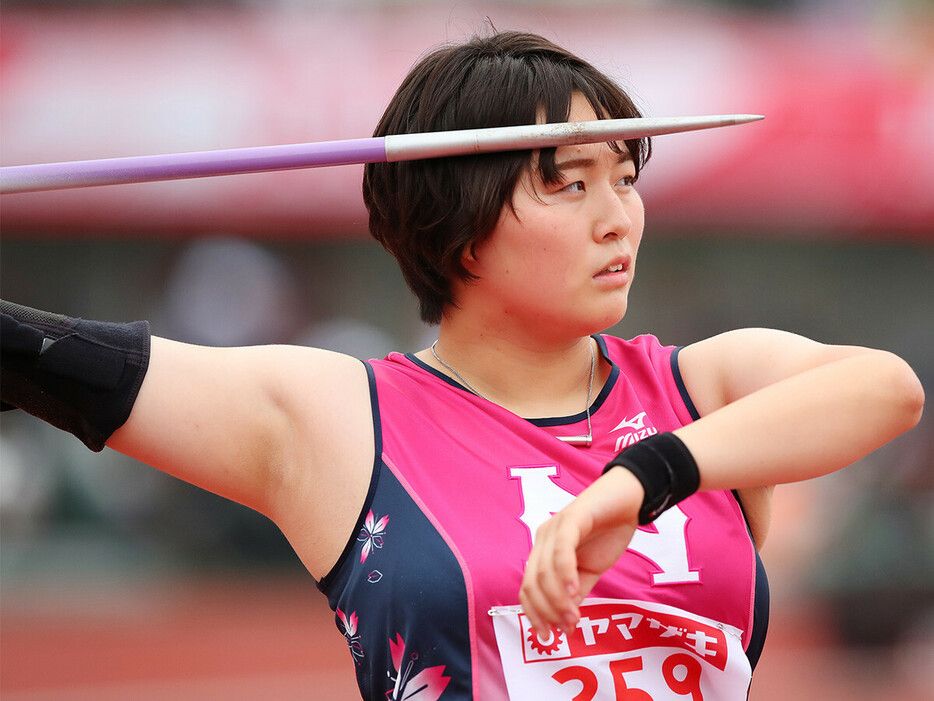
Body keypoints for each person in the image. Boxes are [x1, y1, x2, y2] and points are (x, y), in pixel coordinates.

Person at [0, 30, 924, 701]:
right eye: (567, 183)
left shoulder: (702, 388)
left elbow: (888, 388)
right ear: (461, 223)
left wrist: (641, 479)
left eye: (626, 178)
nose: (618, 218)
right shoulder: (349, 416)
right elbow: (56, 360)